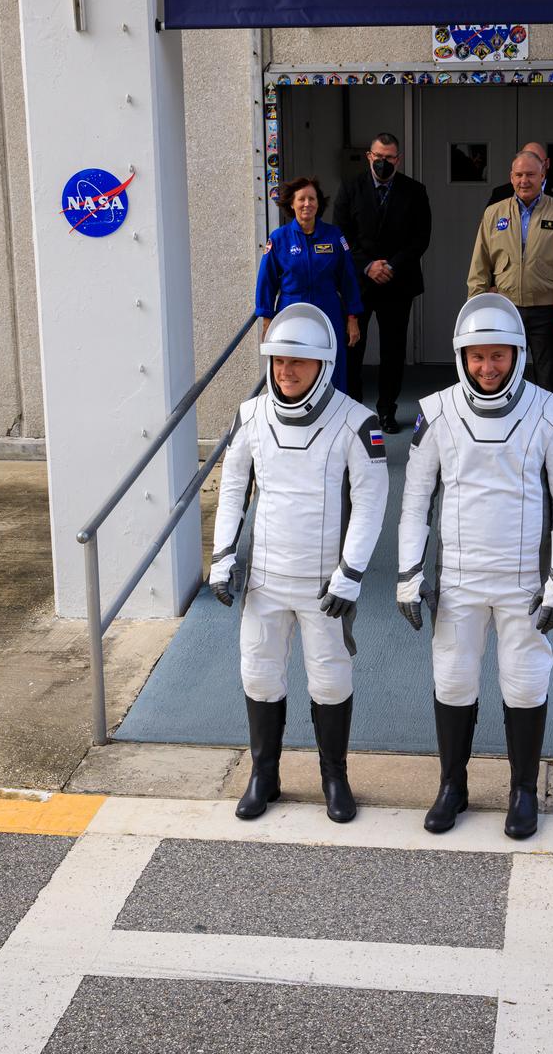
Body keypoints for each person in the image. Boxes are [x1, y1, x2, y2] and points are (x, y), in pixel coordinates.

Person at [396, 294, 553, 840]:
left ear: (518, 354)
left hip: (524, 582)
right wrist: (410, 574)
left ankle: (523, 791)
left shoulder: (552, 414)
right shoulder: (435, 413)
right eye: (477, 357)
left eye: (498, 356)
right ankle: (452, 786)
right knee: (453, 682)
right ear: (462, 356)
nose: (487, 368)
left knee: (525, 685)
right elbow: (414, 504)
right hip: (458, 581)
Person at [209, 303, 389, 825]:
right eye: (279, 361)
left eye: (299, 363)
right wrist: (222, 557)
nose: (286, 372)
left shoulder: (357, 423)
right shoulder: (250, 415)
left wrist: (351, 572)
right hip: (264, 581)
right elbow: (233, 489)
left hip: (324, 585)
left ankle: (334, 776)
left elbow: (373, 501)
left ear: (323, 365)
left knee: (329, 680)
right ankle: (265, 775)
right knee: (260, 676)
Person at [486, 141, 553, 419]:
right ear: (511, 177)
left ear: (543, 174)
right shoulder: (495, 212)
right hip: (507, 310)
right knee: (506, 375)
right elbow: (481, 261)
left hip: (548, 310)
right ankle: (511, 434)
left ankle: (551, 439)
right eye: (519, 175)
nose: (524, 180)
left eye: (531, 174)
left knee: (550, 380)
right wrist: (481, 304)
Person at [333, 132, 432, 433]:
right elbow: (341, 235)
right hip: (359, 285)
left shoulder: (415, 191)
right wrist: (366, 266)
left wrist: (390, 265)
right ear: (369, 156)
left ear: (398, 159)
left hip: (398, 283)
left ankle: (387, 411)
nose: (383, 162)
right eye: (378, 156)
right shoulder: (350, 188)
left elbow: (420, 239)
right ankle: (353, 411)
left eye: (390, 157)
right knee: (353, 349)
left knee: (393, 352)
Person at [256, 176, 362, 394]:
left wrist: (352, 318)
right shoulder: (279, 238)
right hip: (291, 312)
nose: (307, 204)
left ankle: (335, 416)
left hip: (329, 311)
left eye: (312, 199)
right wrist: (267, 320)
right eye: (301, 199)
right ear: (291, 204)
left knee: (333, 364)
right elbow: (266, 282)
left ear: (318, 203)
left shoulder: (334, 236)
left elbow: (348, 279)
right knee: (295, 366)